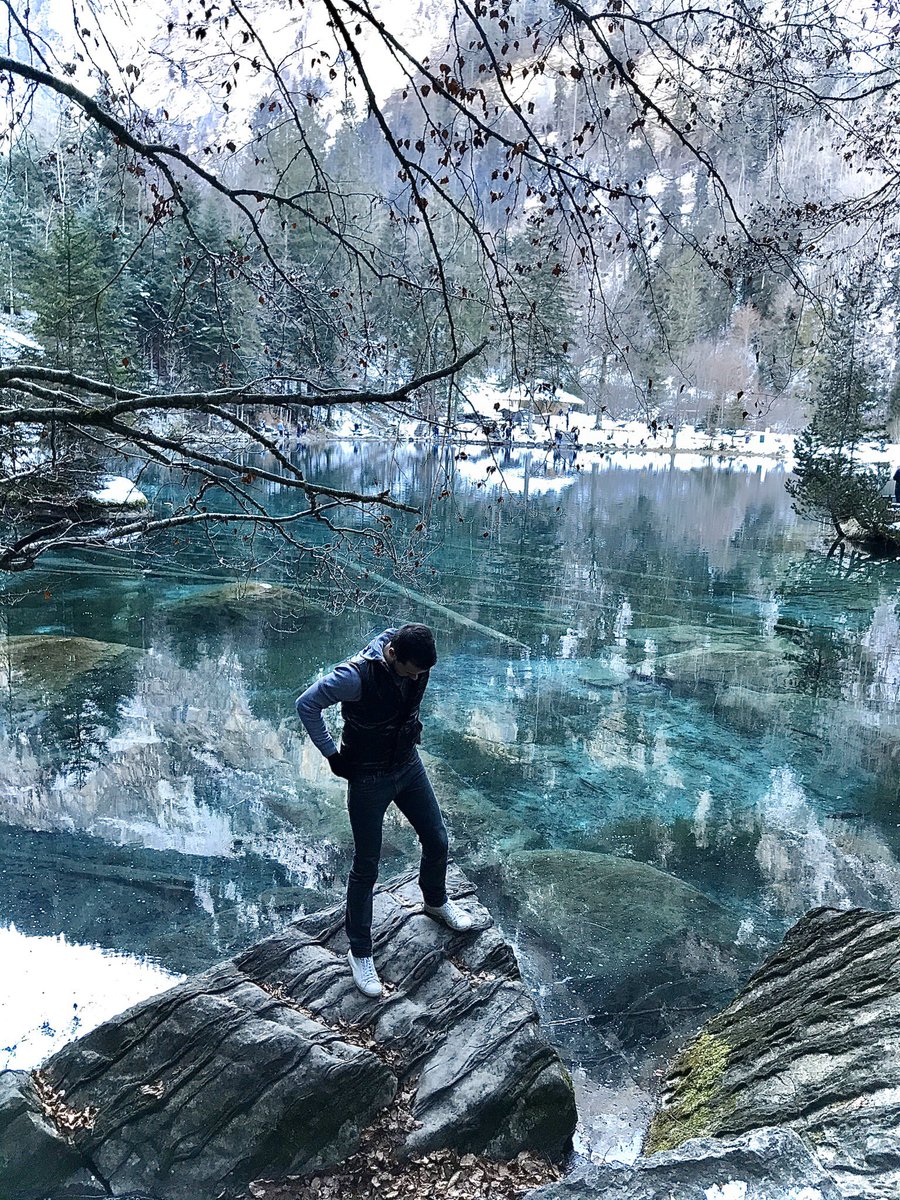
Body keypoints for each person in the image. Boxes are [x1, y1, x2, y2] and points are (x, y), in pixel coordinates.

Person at [295, 624, 472, 998]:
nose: (417, 678)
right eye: (411, 672)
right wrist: (331, 755)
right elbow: (306, 705)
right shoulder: (353, 677)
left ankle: (435, 901)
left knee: (437, 838)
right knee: (367, 865)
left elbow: (410, 684)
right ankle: (359, 953)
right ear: (392, 654)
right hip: (369, 777)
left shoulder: (414, 651)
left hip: (408, 765)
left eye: (422, 673)